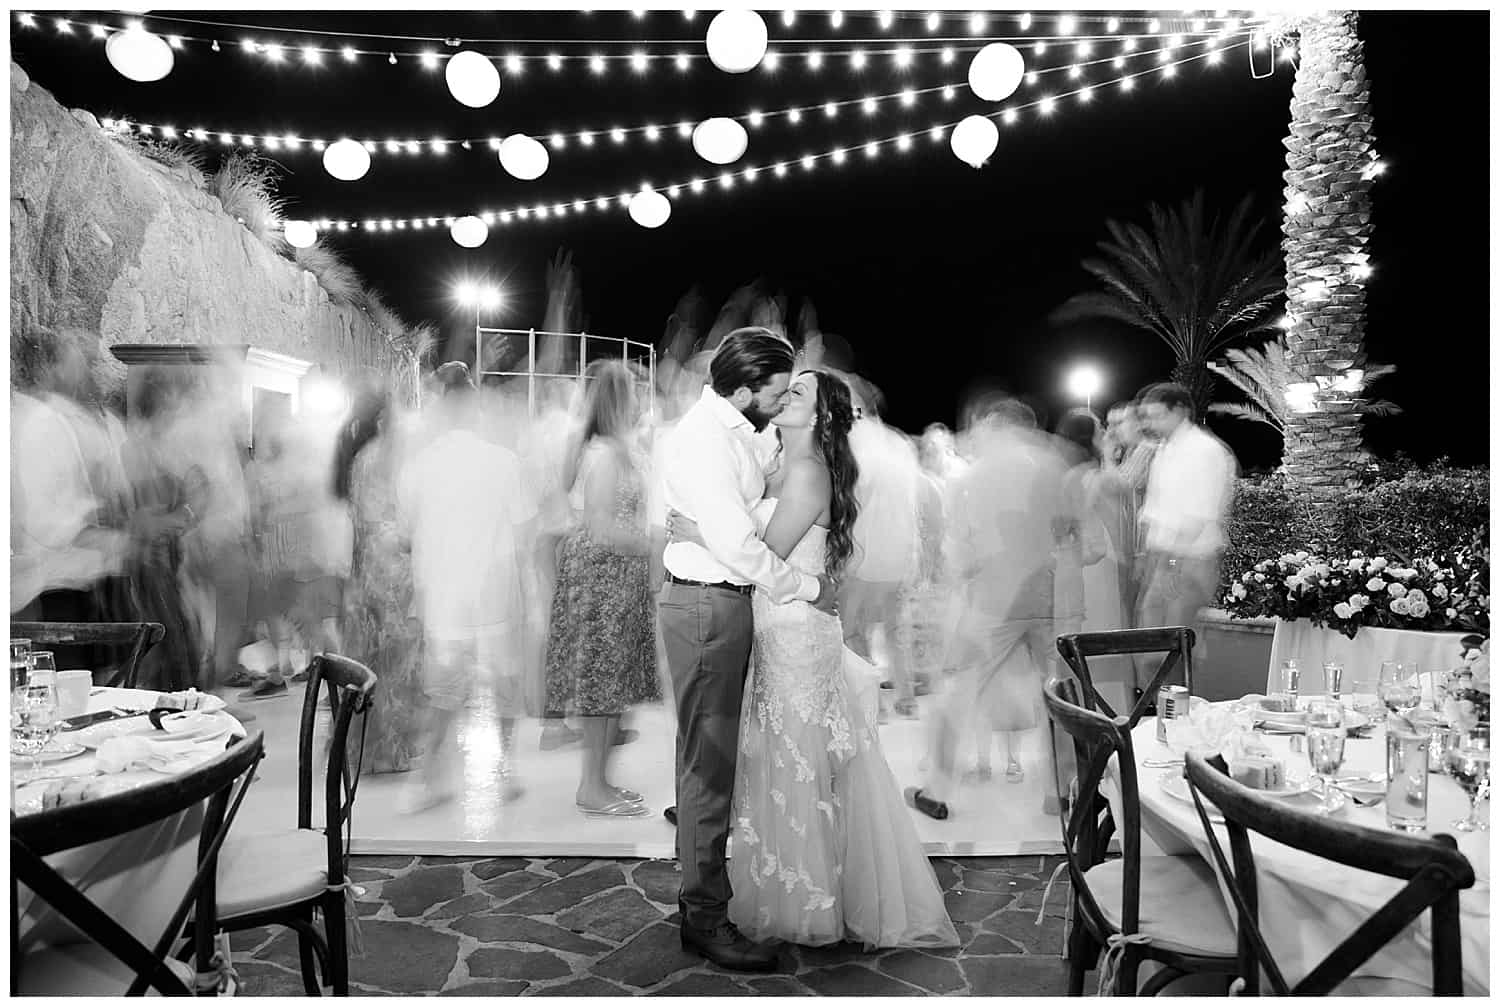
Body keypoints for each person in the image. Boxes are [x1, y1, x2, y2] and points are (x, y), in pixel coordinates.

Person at [673, 369, 958, 950]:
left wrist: (696, 533)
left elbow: (764, 551)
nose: (783, 397)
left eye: (797, 393)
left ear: (822, 416)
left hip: (797, 634)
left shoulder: (805, 473)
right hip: (777, 625)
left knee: (797, 762)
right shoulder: (775, 463)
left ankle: (807, 903)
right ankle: (796, 887)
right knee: (784, 762)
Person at [655, 328, 838, 972]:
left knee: (709, 760)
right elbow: (738, 545)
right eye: (776, 390)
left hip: (715, 600)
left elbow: (752, 497)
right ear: (741, 390)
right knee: (709, 767)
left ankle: (700, 900)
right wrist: (805, 584)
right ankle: (704, 917)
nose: (782, 397)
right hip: (708, 604)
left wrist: (700, 528)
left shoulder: (736, 429)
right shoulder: (707, 440)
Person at [908, 396, 1067, 817]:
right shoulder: (1055, 464)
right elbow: (1072, 535)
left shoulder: (976, 476)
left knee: (957, 694)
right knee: (1062, 694)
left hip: (994, 601)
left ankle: (937, 791)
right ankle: (1064, 790)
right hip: (1050, 597)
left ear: (996, 425)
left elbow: (960, 550)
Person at [399, 363, 536, 812]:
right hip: (495, 590)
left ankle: (430, 780)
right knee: (503, 684)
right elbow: (523, 531)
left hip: (443, 594)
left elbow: (405, 533)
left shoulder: (418, 465)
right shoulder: (504, 460)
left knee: (444, 690)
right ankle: (505, 771)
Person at [544, 361, 660, 817]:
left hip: (613, 576)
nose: (639, 400)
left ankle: (600, 781)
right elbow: (601, 526)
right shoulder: (605, 454)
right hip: (601, 577)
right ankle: (591, 786)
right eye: (633, 392)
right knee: (599, 684)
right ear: (618, 399)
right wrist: (652, 545)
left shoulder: (608, 448)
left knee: (610, 686)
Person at [336, 383, 423, 775]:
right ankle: (386, 752)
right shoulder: (380, 461)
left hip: (374, 572)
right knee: (392, 664)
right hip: (386, 573)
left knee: (380, 661)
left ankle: (376, 748)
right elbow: (382, 523)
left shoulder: (366, 458)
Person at [1135, 382, 1237, 660]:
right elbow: (1155, 509)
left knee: (1173, 646)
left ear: (1180, 410)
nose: (1151, 424)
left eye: (1158, 416)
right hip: (1165, 558)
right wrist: (1149, 557)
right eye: (1147, 417)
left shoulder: (1203, 450)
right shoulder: (1166, 450)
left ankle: (1179, 702)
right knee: (1152, 644)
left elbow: (1198, 515)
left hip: (1188, 561)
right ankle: (1159, 702)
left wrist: (1170, 564)